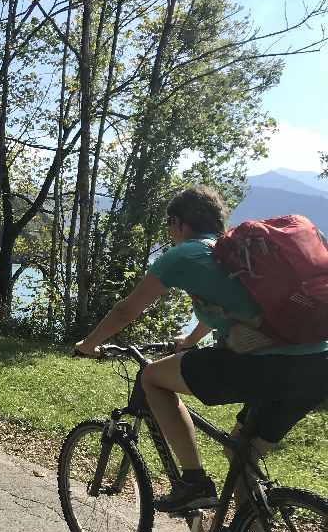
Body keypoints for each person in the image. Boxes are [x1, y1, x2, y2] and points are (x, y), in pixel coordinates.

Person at [74, 185, 328, 513]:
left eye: (169, 224)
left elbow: (126, 310)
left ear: (179, 223)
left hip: (270, 366)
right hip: (317, 365)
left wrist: (88, 344)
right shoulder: (236, 257)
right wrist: (191, 341)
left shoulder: (185, 255)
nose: (169, 232)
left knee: (153, 378)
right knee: (241, 457)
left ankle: (193, 482)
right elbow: (226, 305)